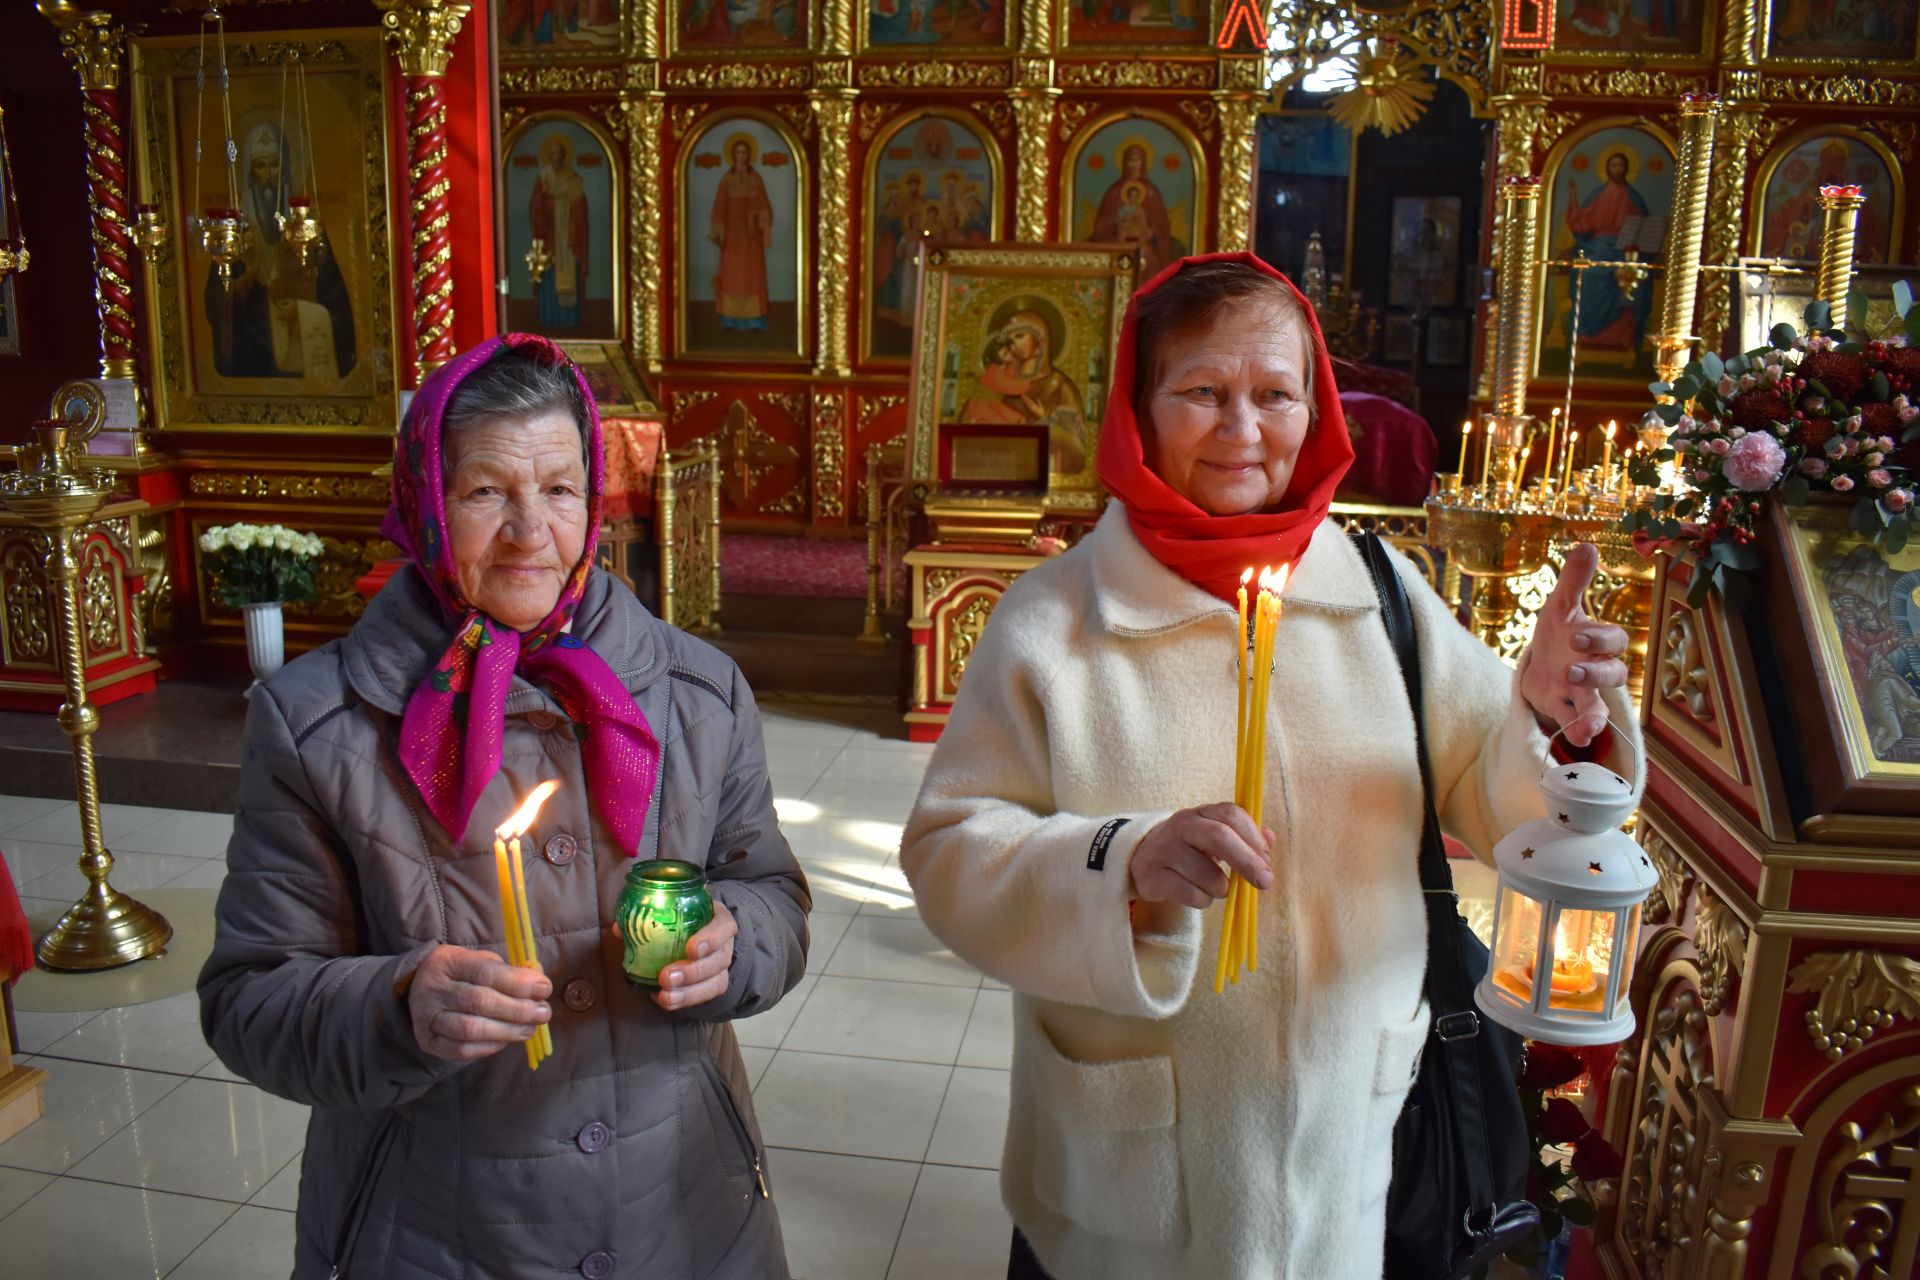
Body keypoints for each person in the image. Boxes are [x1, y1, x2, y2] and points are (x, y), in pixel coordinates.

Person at [899, 254, 1640, 1280]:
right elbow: (950, 848)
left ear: (1319, 405)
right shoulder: (1053, 622)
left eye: (1275, 393)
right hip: (1128, 1183)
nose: (1242, 429)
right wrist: (1121, 865)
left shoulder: (1383, 595)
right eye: (1202, 391)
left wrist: (1556, 715)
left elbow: (1500, 787)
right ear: (1139, 407)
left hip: (1341, 1157)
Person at [199, 335, 808, 1278]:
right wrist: (396, 1004)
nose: (531, 532)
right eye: (487, 492)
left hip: (680, 1213)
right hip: (436, 1232)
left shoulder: (700, 691)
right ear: (427, 505)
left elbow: (771, 890)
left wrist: (741, 942)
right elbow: (250, 1000)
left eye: (560, 490)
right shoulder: (319, 726)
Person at [962, 308, 1087, 474]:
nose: (1015, 345)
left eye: (1020, 336)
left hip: (1038, 474)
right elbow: (964, 430)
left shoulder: (1059, 387)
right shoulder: (997, 381)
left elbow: (1077, 452)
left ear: (1039, 339)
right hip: (993, 469)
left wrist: (1044, 421)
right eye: (1010, 340)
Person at [1564, 149, 1655, 353]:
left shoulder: (1633, 198)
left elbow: (1643, 230)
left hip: (1624, 249)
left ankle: (1621, 338)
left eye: (1620, 165)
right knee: (1586, 275)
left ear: (1627, 169)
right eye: (1613, 165)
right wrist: (1572, 196)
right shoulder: (1599, 195)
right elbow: (1581, 222)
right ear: (1607, 168)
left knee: (1628, 278)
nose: (1617, 169)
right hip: (1597, 247)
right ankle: (1586, 334)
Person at [710, 139, 774, 333]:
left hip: (751, 235)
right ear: (732, 155)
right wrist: (719, 229)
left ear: (749, 155)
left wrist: (761, 218)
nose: (741, 156)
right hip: (732, 236)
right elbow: (719, 208)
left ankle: (754, 321)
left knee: (752, 275)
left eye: (744, 152)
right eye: (738, 153)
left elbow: (765, 205)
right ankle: (730, 320)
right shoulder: (726, 180)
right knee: (732, 276)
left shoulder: (756, 179)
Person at [530, 133, 590, 330]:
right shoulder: (543, 177)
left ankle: (570, 322)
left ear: (564, 155)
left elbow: (581, 206)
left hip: (568, 235)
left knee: (570, 273)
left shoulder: (573, 177)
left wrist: (574, 205)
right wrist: (546, 201)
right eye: (553, 153)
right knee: (550, 272)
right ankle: (549, 322)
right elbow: (535, 206)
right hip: (550, 236)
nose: (557, 156)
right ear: (549, 155)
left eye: (560, 153)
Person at [1092, 145, 1179, 279]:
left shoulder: (1150, 192)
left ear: (1143, 162)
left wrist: (1151, 231)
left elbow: (1161, 225)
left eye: (1137, 160)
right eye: (1130, 160)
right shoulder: (1115, 192)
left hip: (1143, 240)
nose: (1133, 165)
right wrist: (1118, 218)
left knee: (1151, 262)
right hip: (1119, 240)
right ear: (1124, 163)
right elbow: (1102, 227)